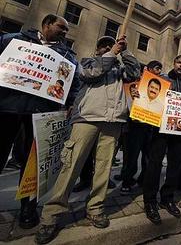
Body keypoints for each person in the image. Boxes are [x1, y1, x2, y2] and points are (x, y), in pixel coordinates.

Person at [35, 35, 140, 244]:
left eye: (111, 45)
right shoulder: (87, 62)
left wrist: (126, 51)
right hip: (87, 119)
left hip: (113, 122)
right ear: (98, 49)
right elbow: (90, 74)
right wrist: (112, 53)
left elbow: (136, 72)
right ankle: (51, 216)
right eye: (104, 46)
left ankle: (96, 208)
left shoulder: (120, 69)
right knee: (71, 165)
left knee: (103, 168)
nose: (108, 48)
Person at [0, 14, 80, 229]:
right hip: (7, 108)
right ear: (46, 24)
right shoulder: (13, 40)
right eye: (61, 27)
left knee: (32, 163)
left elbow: (74, 83)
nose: (65, 32)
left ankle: (28, 207)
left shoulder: (68, 57)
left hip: (41, 114)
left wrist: (71, 101)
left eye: (66, 30)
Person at [142, 55, 181, 225]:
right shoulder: (163, 80)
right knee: (155, 164)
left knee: (175, 166)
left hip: (180, 131)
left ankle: (167, 198)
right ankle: (150, 202)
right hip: (160, 129)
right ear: (173, 64)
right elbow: (149, 96)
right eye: (179, 63)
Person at [117, 60, 163, 194]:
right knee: (131, 156)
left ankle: (143, 180)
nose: (158, 71)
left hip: (151, 127)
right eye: (155, 68)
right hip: (134, 126)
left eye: (160, 69)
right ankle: (127, 181)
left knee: (148, 157)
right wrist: (133, 96)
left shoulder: (161, 88)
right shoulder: (133, 83)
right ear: (147, 70)